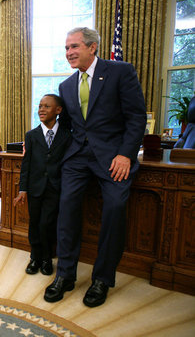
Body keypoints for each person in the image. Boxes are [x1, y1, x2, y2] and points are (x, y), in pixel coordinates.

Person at [43, 27, 147, 308]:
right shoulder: (66, 86)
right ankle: (65, 274)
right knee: (66, 208)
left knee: (114, 209)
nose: (69, 53)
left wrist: (126, 154)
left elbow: (137, 117)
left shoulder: (121, 71)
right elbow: (66, 127)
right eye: (66, 48)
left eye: (74, 46)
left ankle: (102, 279)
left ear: (93, 47)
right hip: (77, 157)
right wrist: (38, 141)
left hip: (114, 157)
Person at [13, 94, 71, 276]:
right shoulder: (32, 135)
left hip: (55, 188)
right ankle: (34, 258)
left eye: (46, 106)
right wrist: (23, 189)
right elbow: (26, 165)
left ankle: (46, 258)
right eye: (40, 106)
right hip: (35, 187)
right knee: (35, 223)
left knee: (47, 223)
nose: (41, 110)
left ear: (58, 110)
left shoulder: (67, 135)